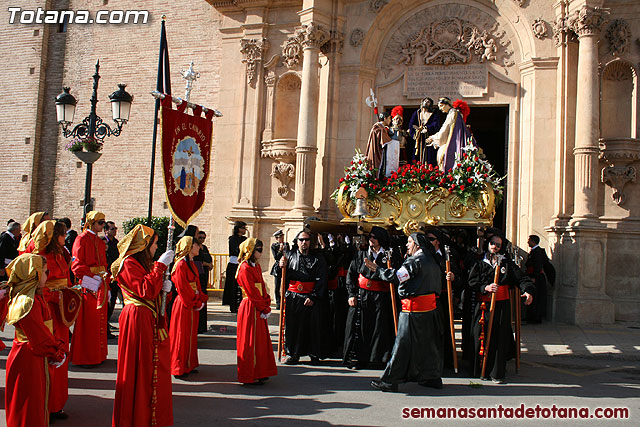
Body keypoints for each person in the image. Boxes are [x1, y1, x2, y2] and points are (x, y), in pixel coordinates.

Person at [111, 224, 175, 427]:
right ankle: (135, 416)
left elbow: (153, 290)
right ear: (144, 245)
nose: (156, 248)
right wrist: (160, 267)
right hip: (136, 319)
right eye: (154, 244)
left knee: (148, 369)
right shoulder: (127, 264)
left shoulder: (143, 264)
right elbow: (145, 290)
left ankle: (147, 415)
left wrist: (167, 288)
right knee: (138, 369)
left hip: (147, 317)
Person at [368, 232, 444, 392]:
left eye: (409, 242)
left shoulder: (415, 261)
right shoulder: (432, 260)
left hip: (412, 311)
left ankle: (390, 380)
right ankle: (432, 376)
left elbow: (397, 277)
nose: (407, 245)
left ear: (417, 244)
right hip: (430, 310)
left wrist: (378, 270)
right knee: (428, 346)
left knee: (401, 346)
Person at [2, 253, 66, 427]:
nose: (48, 275)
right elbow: (39, 336)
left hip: (33, 356)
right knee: (28, 406)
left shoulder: (34, 297)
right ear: (35, 275)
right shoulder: (26, 302)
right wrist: (56, 351)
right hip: (28, 359)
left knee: (37, 403)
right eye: (45, 272)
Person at [468, 231, 534, 383]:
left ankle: (496, 372)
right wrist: (485, 287)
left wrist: (528, 290)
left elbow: (521, 278)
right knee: (480, 335)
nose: (495, 247)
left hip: (501, 306)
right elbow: (471, 283)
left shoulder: (506, 263)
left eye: (498, 245)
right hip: (483, 306)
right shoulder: (478, 263)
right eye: (492, 243)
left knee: (499, 338)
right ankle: (480, 369)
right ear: (488, 244)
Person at [32, 220, 77, 421]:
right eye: (62, 234)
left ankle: (56, 404)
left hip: (60, 314)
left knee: (61, 355)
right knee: (48, 357)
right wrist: (54, 295)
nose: (65, 238)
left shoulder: (60, 255)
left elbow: (65, 280)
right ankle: (44, 407)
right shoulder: (38, 258)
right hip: (46, 312)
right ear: (52, 236)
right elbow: (33, 288)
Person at [343, 227, 399, 369]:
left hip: (381, 297)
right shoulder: (361, 254)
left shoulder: (390, 255)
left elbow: (394, 275)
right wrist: (352, 294)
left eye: (374, 237)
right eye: (370, 237)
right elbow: (351, 273)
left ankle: (379, 359)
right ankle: (361, 358)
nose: (371, 240)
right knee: (362, 327)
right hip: (363, 295)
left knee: (380, 328)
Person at [279, 230, 328, 365]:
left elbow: (322, 279)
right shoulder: (289, 255)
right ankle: (293, 354)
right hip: (293, 297)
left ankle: (314, 354)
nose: (304, 243)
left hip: (311, 296)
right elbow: (279, 274)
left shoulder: (318, 258)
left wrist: (314, 296)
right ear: (297, 241)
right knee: (294, 326)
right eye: (301, 240)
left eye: (306, 240)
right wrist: (280, 266)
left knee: (312, 327)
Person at [69, 211, 110, 367]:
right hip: (89, 283)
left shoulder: (99, 242)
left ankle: (98, 355)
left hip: (101, 283)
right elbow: (77, 265)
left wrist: (105, 277)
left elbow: (104, 263)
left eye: (103, 223)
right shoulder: (81, 239)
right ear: (91, 222)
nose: (102, 226)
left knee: (99, 320)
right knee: (88, 322)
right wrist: (92, 277)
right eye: (100, 223)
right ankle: (85, 356)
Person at [236, 238, 278, 384]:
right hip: (250, 306)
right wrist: (263, 306)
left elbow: (261, 286)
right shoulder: (244, 268)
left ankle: (260, 370)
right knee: (249, 340)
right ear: (250, 251)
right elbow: (251, 291)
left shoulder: (256, 266)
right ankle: (248, 373)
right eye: (258, 249)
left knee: (259, 341)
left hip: (258, 305)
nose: (261, 252)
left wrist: (266, 301)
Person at [170, 236, 208, 378]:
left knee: (190, 335)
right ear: (189, 247)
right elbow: (182, 286)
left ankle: (188, 363)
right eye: (196, 245)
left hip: (192, 302)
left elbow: (196, 284)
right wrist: (194, 301)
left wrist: (200, 298)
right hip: (185, 303)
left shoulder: (191, 263)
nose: (199, 247)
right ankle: (178, 366)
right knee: (181, 335)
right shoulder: (180, 265)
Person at [424, 97, 475, 171]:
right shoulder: (456, 113)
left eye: (441, 106)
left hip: (454, 143)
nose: (440, 109)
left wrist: (433, 138)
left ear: (447, 104)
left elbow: (444, 130)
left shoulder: (452, 114)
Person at [408, 97, 444, 165]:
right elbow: (411, 124)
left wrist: (427, 128)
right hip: (418, 139)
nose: (426, 103)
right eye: (425, 101)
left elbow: (436, 124)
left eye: (428, 102)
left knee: (429, 155)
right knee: (416, 155)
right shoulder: (417, 113)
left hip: (428, 138)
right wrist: (415, 133)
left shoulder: (434, 113)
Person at [222, 221, 248, 313]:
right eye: (243, 228)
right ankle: (233, 306)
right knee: (232, 285)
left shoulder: (245, 239)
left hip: (242, 263)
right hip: (234, 263)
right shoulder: (232, 239)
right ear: (239, 229)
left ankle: (241, 304)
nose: (245, 230)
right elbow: (235, 250)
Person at [525, 235, 549, 324]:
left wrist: (534, 277)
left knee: (536, 298)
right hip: (533, 276)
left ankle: (535, 317)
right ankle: (531, 316)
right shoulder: (534, 251)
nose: (528, 242)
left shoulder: (538, 252)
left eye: (529, 240)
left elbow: (538, 266)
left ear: (533, 241)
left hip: (537, 278)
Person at [102, 221, 120, 339]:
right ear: (106, 230)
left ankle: (107, 323)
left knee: (113, 300)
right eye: (112, 229)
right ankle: (105, 326)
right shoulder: (102, 242)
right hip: (106, 275)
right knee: (106, 303)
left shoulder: (116, 243)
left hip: (114, 276)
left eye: (115, 228)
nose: (114, 231)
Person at [193, 230, 213, 333]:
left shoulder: (204, 248)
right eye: (200, 237)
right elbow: (196, 261)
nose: (202, 240)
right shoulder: (195, 249)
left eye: (203, 238)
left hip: (205, 275)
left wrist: (210, 264)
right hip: (198, 276)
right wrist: (205, 263)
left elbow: (209, 257)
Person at [365, 112, 393, 179]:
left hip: (378, 150)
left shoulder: (380, 127)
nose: (390, 120)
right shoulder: (379, 128)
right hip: (376, 152)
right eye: (389, 118)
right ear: (385, 118)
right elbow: (384, 142)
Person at [269, 230, 288, 307]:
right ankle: (278, 302)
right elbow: (276, 257)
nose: (282, 238)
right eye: (280, 237)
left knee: (285, 285)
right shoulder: (274, 246)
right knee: (277, 286)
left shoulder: (286, 244)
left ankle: (285, 301)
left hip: (285, 266)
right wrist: (280, 250)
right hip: (277, 267)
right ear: (277, 238)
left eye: (282, 236)